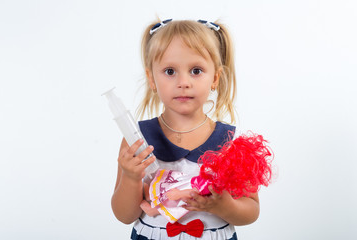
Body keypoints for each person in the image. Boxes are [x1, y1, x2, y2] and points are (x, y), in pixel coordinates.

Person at [111, 19, 260, 240]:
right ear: (152, 78)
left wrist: (224, 205)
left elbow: (252, 211)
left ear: (215, 78)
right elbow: (124, 215)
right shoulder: (137, 139)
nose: (183, 82)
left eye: (196, 70)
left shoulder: (230, 143)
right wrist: (131, 178)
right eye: (170, 71)